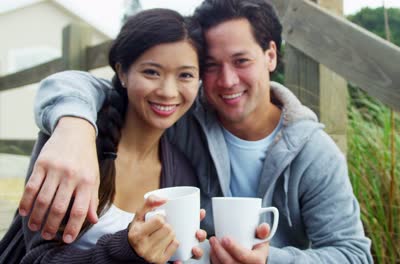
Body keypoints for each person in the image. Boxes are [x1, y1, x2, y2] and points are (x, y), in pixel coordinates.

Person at [15, 0, 373, 263]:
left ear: (271, 56)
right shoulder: (186, 119)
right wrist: (73, 126)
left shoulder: (314, 153)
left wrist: (269, 261)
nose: (228, 80)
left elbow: (354, 255)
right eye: (213, 66)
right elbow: (82, 85)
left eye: (242, 61)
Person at [0, 8, 208, 264]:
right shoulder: (72, 146)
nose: (168, 91)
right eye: (151, 72)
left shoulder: (181, 174)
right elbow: (37, 259)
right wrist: (126, 250)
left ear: (198, 81)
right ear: (122, 73)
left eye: (185, 75)